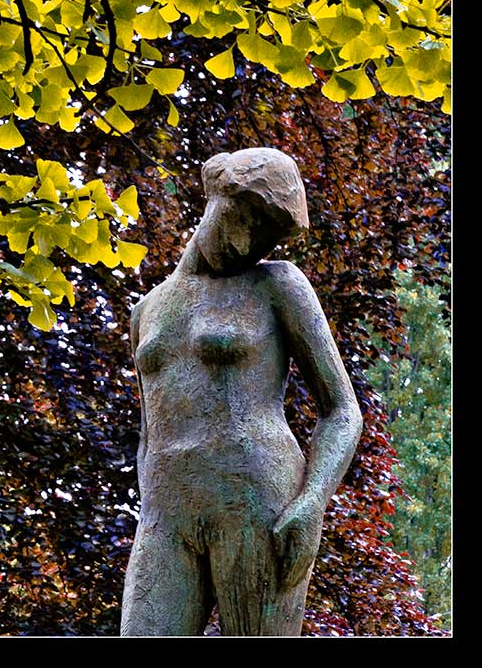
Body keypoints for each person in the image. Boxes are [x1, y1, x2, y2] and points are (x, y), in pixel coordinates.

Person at [121, 148, 362, 636]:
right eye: (245, 217)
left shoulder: (278, 285)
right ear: (216, 192)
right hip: (166, 513)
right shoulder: (146, 310)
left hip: (258, 501)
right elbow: (150, 430)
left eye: (266, 235)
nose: (247, 242)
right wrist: (149, 505)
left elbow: (342, 410)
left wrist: (312, 501)